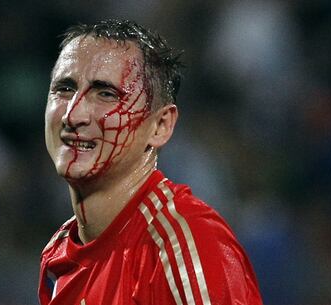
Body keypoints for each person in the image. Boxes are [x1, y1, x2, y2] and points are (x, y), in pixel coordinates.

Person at [38, 19, 263, 305]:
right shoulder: (57, 255)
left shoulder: (187, 242)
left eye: (106, 93)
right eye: (65, 88)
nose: (73, 114)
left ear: (160, 126)